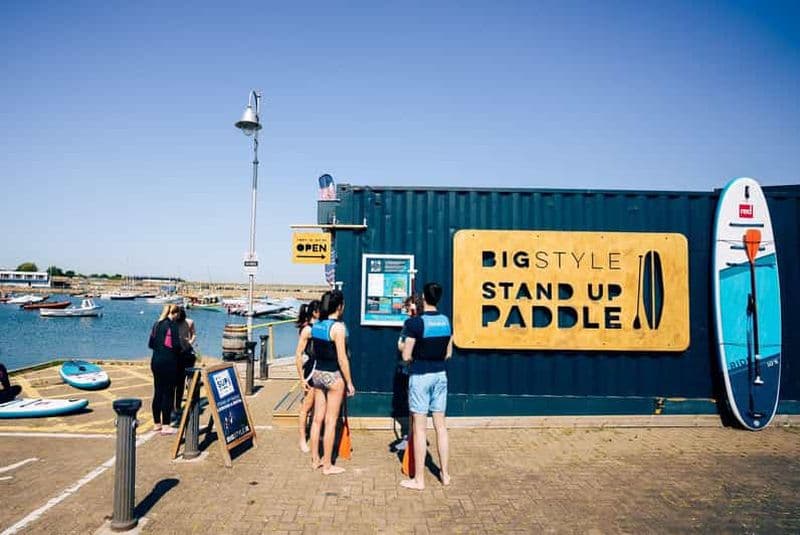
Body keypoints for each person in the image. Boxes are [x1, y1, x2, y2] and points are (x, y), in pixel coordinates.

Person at [400, 282, 453, 490]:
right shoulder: (446, 321)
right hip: (440, 375)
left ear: (423, 297)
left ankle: (419, 480)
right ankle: (445, 474)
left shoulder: (415, 324)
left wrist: (405, 347)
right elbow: (448, 353)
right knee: (441, 427)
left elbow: (406, 355)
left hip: (421, 376)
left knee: (420, 429)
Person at [308, 290, 356, 475]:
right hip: (334, 376)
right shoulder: (339, 328)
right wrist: (350, 382)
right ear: (339, 306)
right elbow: (342, 359)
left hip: (317, 374)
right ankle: (327, 465)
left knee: (316, 419)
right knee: (330, 421)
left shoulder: (317, 325)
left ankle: (315, 459)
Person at [393, 294, 424, 451]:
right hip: (408, 369)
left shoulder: (416, 324)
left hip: (416, 370)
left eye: (409, 306)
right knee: (412, 405)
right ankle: (411, 436)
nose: (406, 309)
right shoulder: (409, 324)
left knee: (416, 407)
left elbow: (404, 347)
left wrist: (404, 346)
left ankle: (413, 438)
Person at [148, 304, 183, 435]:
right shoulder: (172, 325)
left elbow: (150, 344)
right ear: (175, 313)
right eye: (178, 314)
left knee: (158, 392)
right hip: (168, 362)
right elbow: (176, 347)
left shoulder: (157, 324)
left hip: (156, 361)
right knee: (168, 393)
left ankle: (157, 423)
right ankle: (166, 425)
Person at [294, 299, 320, 452]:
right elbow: (298, 354)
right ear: (315, 312)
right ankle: (302, 439)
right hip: (311, 370)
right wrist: (301, 378)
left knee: (319, 405)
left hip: (321, 369)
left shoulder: (321, 327)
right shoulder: (307, 330)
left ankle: (316, 434)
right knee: (307, 406)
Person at [172, 306, 197, 424]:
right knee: (174, 382)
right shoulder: (172, 322)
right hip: (174, 354)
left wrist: (190, 342)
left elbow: (194, 334)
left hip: (185, 353)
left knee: (181, 381)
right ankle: (173, 407)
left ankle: (177, 406)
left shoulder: (190, 322)